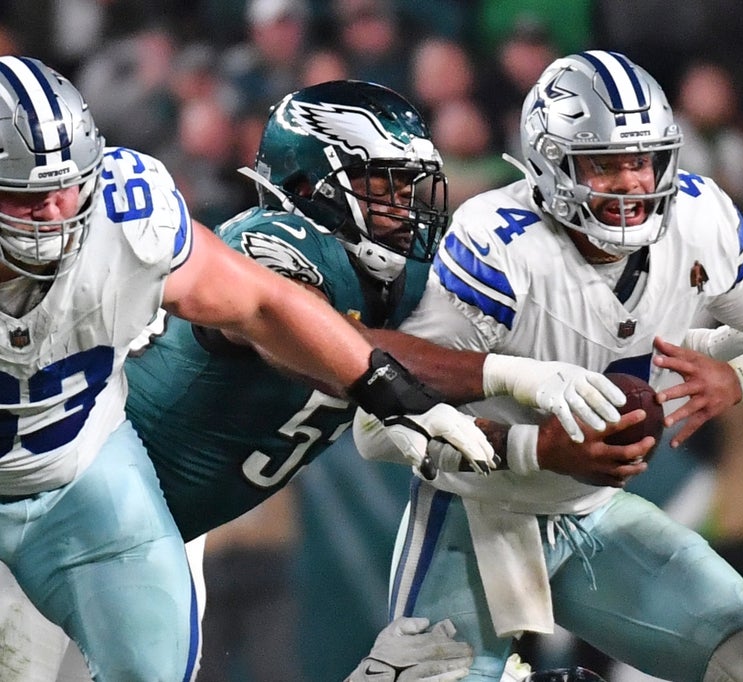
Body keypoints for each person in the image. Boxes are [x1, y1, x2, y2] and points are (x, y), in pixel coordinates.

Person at [1, 77, 633, 682]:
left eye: (410, 187)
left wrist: (541, 440)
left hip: (145, 534)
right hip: (59, 508)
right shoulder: (272, 241)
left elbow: (413, 417)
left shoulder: (404, 284)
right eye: (380, 184)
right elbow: (319, 346)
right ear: (309, 182)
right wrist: (508, 372)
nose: (402, 206)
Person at [353, 50, 743, 681]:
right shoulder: (502, 243)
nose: (632, 183)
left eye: (641, 160)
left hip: (595, 513)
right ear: (550, 162)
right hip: (476, 520)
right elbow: (376, 429)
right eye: (604, 164)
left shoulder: (697, 219)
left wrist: (741, 376)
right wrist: (535, 447)